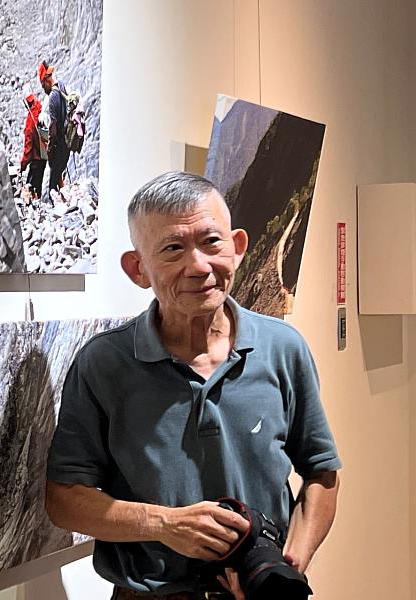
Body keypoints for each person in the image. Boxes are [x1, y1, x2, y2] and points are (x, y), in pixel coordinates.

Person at [45, 171, 341, 599]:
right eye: (172, 249)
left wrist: (286, 565)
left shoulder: (283, 348)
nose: (198, 266)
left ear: (238, 248)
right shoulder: (104, 364)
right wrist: (164, 525)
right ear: (138, 269)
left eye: (211, 242)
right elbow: (65, 498)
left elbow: (322, 472)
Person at [38, 60, 70, 196]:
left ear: (46, 80)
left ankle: (55, 212)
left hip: (58, 145)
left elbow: (53, 127)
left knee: (52, 186)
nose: (43, 88)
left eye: (42, 84)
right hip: (67, 141)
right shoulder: (61, 86)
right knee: (60, 175)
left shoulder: (52, 97)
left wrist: (49, 148)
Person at [20, 92, 47, 200]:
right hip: (44, 154)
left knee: (30, 185)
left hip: (36, 158)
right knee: (38, 182)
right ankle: (38, 201)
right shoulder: (40, 107)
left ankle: (34, 207)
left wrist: (23, 165)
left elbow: (28, 146)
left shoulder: (30, 121)